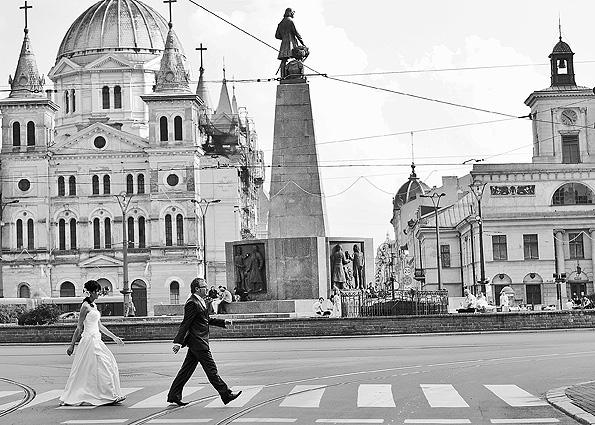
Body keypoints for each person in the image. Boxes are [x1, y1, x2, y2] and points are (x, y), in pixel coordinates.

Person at [167, 278, 241, 407]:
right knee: (211, 370)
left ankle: (174, 395)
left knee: (186, 371)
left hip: (198, 342)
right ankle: (226, 394)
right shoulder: (192, 303)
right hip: (198, 343)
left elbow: (206, 319)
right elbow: (186, 323)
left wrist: (223, 322)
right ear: (197, 289)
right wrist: (178, 342)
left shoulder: (200, 301)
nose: (206, 289)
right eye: (204, 287)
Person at [60, 280, 125, 406]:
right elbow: (79, 327)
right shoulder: (85, 307)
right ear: (90, 292)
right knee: (103, 367)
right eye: (97, 291)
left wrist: (114, 337)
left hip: (97, 340)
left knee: (107, 365)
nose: (99, 293)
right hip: (89, 342)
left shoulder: (93, 305)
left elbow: (99, 326)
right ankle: (110, 395)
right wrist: (72, 345)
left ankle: (108, 394)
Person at [275, 8, 306, 79]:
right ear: (290, 13)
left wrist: (283, 37)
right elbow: (296, 33)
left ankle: (283, 76)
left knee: (283, 60)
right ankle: (300, 75)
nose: (293, 14)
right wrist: (302, 43)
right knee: (299, 57)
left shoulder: (281, 23)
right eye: (293, 13)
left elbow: (277, 36)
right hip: (292, 44)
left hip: (283, 44)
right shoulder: (290, 21)